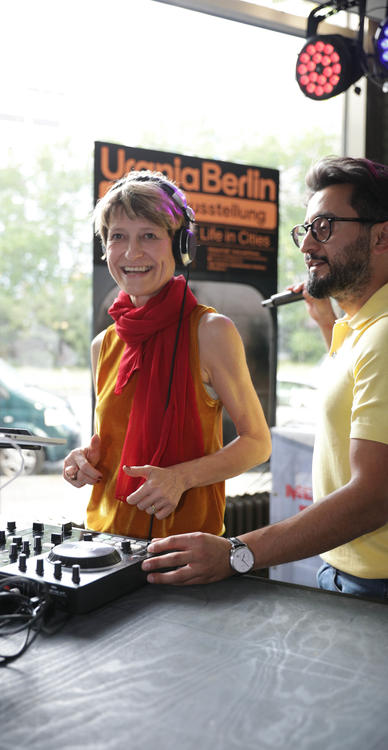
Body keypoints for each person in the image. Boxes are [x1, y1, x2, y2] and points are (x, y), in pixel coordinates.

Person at [142, 156, 388, 601]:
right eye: (307, 229)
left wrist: (238, 552)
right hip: (349, 574)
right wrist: (325, 320)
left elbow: (374, 495)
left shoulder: (385, 335)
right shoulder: (358, 328)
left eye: (325, 226)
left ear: (381, 235)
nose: (307, 244)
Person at [63, 170, 271, 540]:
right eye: (118, 237)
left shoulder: (211, 331)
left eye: (149, 236)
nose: (131, 253)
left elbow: (257, 443)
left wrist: (181, 478)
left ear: (180, 247)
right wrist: (84, 461)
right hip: (105, 544)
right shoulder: (103, 345)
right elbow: (111, 443)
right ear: (104, 248)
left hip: (186, 551)